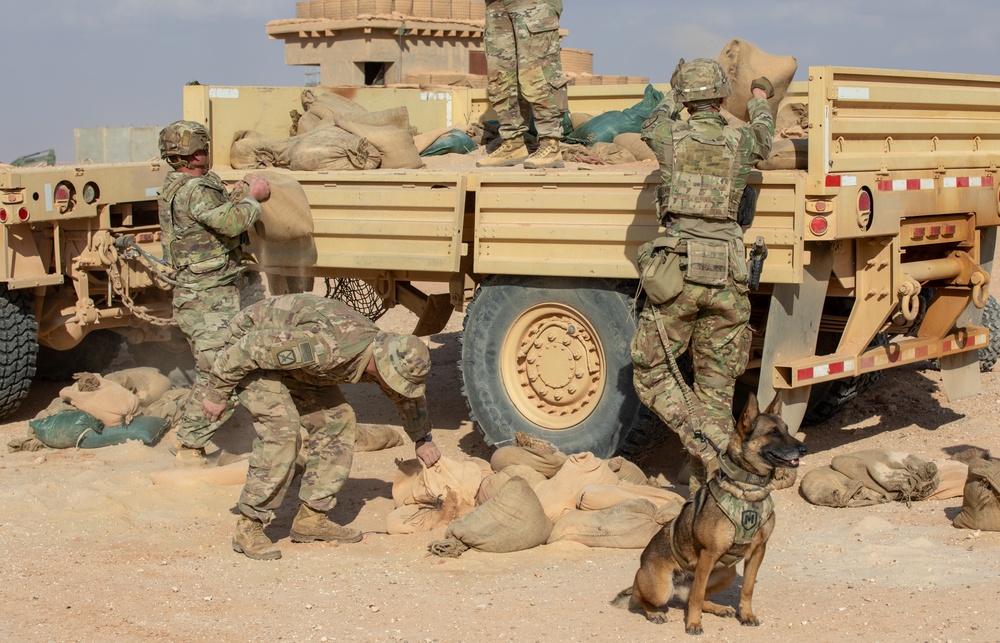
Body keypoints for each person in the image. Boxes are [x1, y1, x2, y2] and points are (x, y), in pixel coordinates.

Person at [200, 293, 441, 560]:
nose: (394, 387)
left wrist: (422, 438)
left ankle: (311, 518)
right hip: (251, 350)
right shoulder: (328, 348)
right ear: (382, 365)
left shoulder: (384, 351)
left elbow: (405, 396)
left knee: (338, 419)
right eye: (393, 379)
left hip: (294, 363)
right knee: (283, 431)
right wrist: (216, 392)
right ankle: (249, 525)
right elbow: (247, 349)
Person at [630, 58, 775, 494]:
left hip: (680, 274)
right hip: (729, 275)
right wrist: (760, 98)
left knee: (651, 373)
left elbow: (650, 120)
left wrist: (676, 89)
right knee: (716, 385)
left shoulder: (670, 136)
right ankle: (707, 483)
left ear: (686, 98)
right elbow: (766, 135)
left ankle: (710, 450)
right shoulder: (743, 139)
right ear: (720, 96)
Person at [157, 120, 270, 467]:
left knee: (219, 371)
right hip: (206, 298)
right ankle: (190, 445)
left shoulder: (183, 184)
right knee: (222, 374)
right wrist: (253, 199)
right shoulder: (194, 190)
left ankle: (193, 441)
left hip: (206, 294)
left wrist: (233, 193)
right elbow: (232, 223)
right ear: (196, 152)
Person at [476, 0, 569, 169]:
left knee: (536, 73)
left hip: (533, 4)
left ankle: (551, 144)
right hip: (496, 4)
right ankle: (513, 143)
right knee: (501, 76)